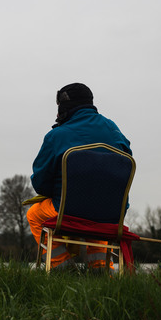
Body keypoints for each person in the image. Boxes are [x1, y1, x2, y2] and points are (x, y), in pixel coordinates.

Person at [26, 82, 132, 271]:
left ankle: (61, 267)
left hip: (68, 211)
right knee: (96, 211)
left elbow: (40, 184)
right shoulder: (114, 129)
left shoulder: (56, 136)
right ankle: (101, 268)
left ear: (63, 107)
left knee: (34, 214)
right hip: (112, 214)